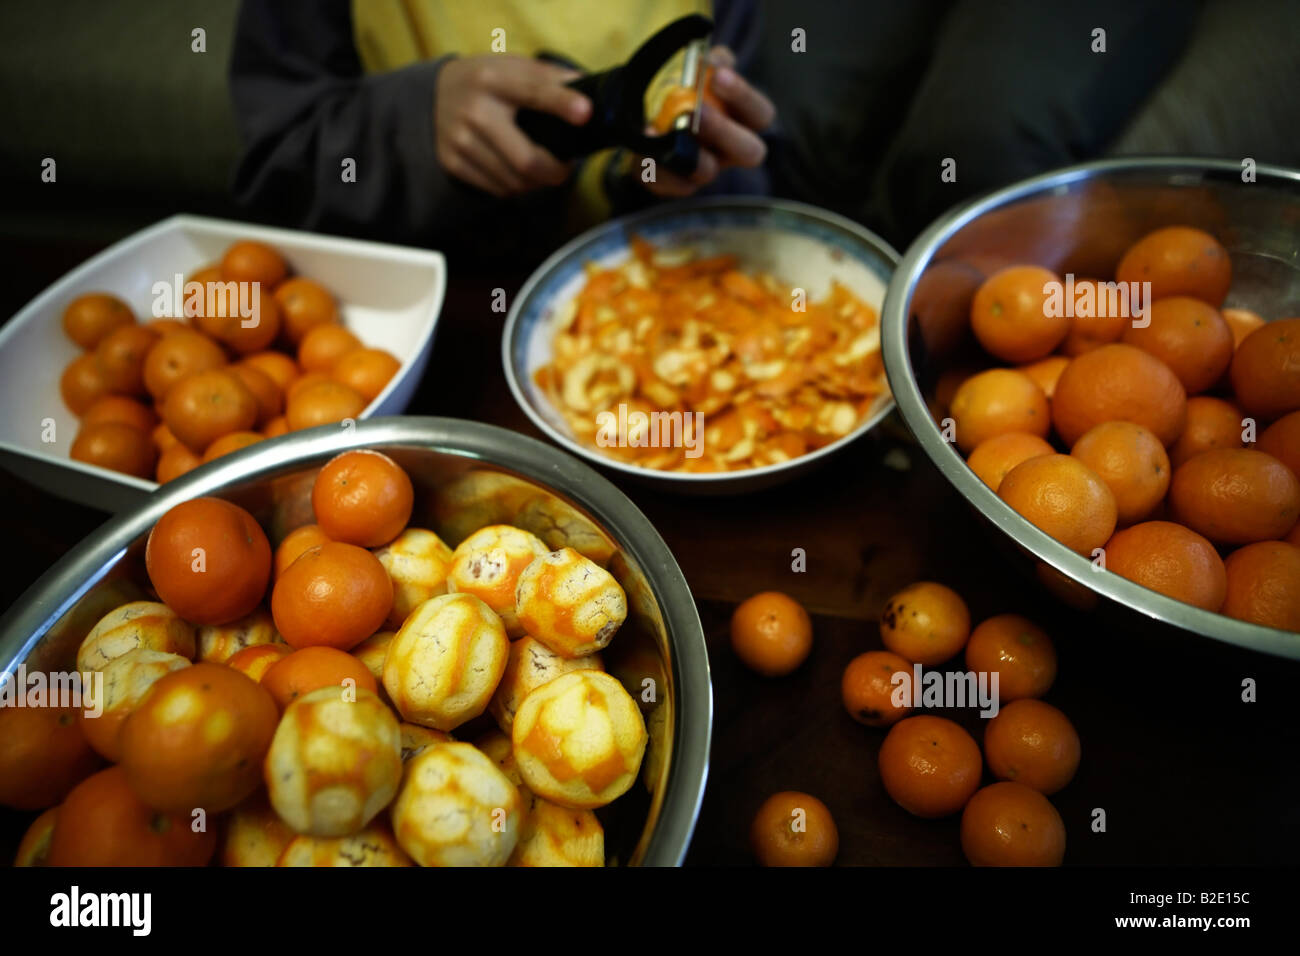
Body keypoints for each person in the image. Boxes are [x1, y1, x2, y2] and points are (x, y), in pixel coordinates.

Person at [229, 0, 776, 260]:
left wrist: (675, 165)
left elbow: (750, 157)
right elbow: (275, 163)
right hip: (431, 324)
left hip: (659, 300)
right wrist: (417, 125)